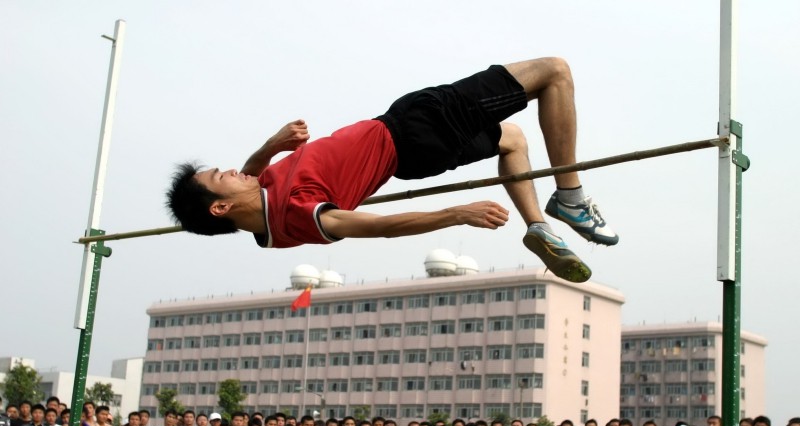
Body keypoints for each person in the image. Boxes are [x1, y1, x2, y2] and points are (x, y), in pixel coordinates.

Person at [167, 58, 620, 284]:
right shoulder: (301, 214)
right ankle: (571, 196)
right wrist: (454, 214)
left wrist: (270, 146)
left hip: (414, 153)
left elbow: (252, 173)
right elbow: (380, 228)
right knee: (555, 72)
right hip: (416, 127)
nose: (232, 170)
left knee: (514, 139)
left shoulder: (261, 221)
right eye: (219, 176)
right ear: (221, 204)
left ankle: (539, 225)